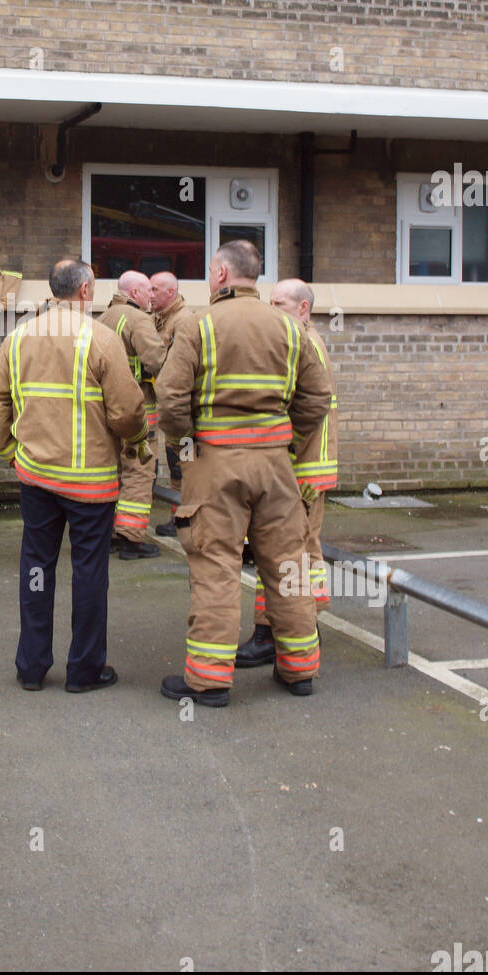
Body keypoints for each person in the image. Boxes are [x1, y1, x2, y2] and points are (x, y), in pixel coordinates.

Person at [154, 241, 331, 707]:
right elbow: (317, 397)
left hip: (216, 465)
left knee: (216, 567)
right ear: (256, 276)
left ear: (219, 274)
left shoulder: (198, 325)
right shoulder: (291, 328)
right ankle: (299, 671)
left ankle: (209, 682)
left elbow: (170, 400)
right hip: (276, 466)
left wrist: (189, 447)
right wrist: (287, 442)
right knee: (287, 565)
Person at [0, 258, 148, 693]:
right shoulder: (101, 340)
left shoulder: (18, 339)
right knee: (89, 573)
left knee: (37, 567)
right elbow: (129, 412)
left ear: (54, 290)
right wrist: (134, 441)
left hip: (36, 479)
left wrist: (10, 450)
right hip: (91, 483)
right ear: (86, 291)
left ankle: (32, 668)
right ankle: (85, 671)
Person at [237, 278, 339, 667]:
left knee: (291, 552)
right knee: (292, 551)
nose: (271, 309)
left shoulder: (303, 344)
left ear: (303, 309)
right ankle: (293, 629)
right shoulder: (301, 340)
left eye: (279, 303)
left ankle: (282, 633)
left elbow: (303, 410)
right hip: (302, 468)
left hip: (302, 470)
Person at [97, 270, 167, 558]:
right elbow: (157, 360)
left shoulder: (103, 318)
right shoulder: (138, 319)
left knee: (115, 469)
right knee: (139, 469)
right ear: (135, 293)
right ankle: (131, 537)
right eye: (148, 290)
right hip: (138, 407)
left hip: (105, 408)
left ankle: (113, 531)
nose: (152, 295)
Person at [150, 271, 198, 538]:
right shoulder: (159, 319)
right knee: (177, 465)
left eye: (155, 290)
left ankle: (186, 520)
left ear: (171, 292)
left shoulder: (184, 322)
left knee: (186, 466)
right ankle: (178, 518)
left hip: (184, 414)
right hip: (172, 410)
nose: (150, 294)